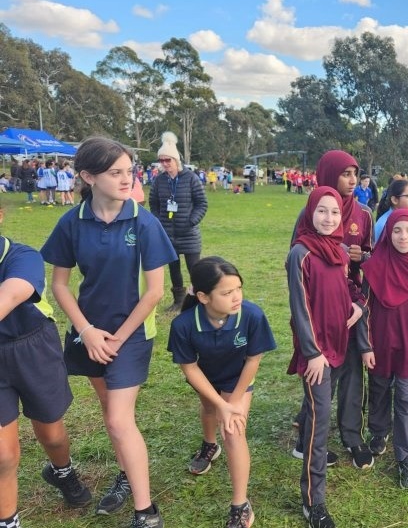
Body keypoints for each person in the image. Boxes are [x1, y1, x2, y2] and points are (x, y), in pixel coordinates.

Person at [40, 136, 177, 528]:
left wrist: (115, 337)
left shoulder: (143, 221)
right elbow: (60, 286)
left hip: (130, 335)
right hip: (88, 334)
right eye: (115, 172)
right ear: (88, 176)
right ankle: (124, 474)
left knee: (119, 419)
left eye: (129, 171)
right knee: (110, 410)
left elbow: (155, 293)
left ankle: (146, 512)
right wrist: (87, 331)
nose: (126, 179)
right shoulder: (71, 221)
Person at [0, 205, 93, 528]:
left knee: (52, 433)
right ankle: (8, 521)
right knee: (3, 455)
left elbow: (10, 296)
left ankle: (62, 471)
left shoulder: (21, 256)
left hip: (32, 348)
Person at [168, 257, 275, 528]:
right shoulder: (183, 325)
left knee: (233, 429)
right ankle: (208, 445)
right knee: (209, 409)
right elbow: (190, 368)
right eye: (227, 293)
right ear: (203, 297)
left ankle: (240, 504)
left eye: (238, 288)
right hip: (204, 378)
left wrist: (234, 402)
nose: (236, 297)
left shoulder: (252, 315)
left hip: (237, 380)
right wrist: (219, 403)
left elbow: (253, 360)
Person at [287, 187, 368, 528]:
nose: (329, 218)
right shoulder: (301, 253)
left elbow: (349, 286)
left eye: (335, 212)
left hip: (340, 346)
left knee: (316, 416)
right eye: (322, 211)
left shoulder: (337, 249)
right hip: (317, 355)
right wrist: (312, 353)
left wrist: (358, 304)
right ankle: (313, 501)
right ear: (309, 212)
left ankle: (303, 447)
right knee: (321, 427)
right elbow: (300, 308)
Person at [289, 150, 375, 471]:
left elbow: (373, 260)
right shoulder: (309, 212)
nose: (352, 181)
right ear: (328, 175)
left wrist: (361, 260)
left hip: (351, 307)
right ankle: (307, 436)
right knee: (318, 368)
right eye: (345, 174)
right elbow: (297, 263)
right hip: (319, 308)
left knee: (352, 368)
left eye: (355, 173)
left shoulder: (364, 213)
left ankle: (353, 436)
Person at [361, 209, 408, 488]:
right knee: (378, 389)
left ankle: (406, 458)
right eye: (396, 231)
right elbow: (364, 310)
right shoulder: (373, 267)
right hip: (378, 346)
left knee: (405, 400)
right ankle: (379, 431)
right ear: (387, 233)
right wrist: (366, 347)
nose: (403, 237)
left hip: (407, 347)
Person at [148, 131, 208, 311]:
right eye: (162, 160)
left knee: (195, 270)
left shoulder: (191, 178)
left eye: (168, 160)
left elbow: (201, 203)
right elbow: (153, 203)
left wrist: (192, 220)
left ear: (176, 160)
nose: (165, 164)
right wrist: (159, 221)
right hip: (167, 234)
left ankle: (199, 300)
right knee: (174, 270)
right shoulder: (159, 180)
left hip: (188, 234)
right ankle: (179, 301)